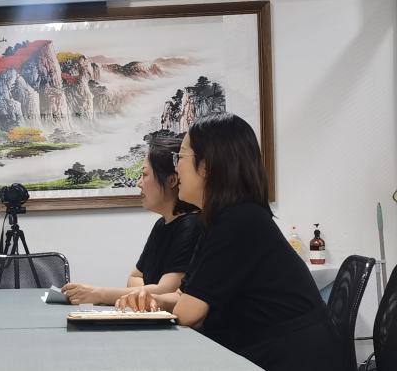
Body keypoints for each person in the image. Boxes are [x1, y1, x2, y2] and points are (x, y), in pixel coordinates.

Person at [115, 113, 347, 370]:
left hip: (294, 358)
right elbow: (185, 295)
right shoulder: (219, 219)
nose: (176, 168)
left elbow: (188, 314)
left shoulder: (238, 221)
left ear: (206, 166)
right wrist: (153, 299)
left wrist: (156, 301)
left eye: (180, 157)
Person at [61, 136, 201, 305]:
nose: (139, 183)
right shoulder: (162, 224)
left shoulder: (191, 225)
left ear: (171, 180)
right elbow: (135, 277)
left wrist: (98, 294)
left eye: (145, 174)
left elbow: (167, 291)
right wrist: (144, 293)